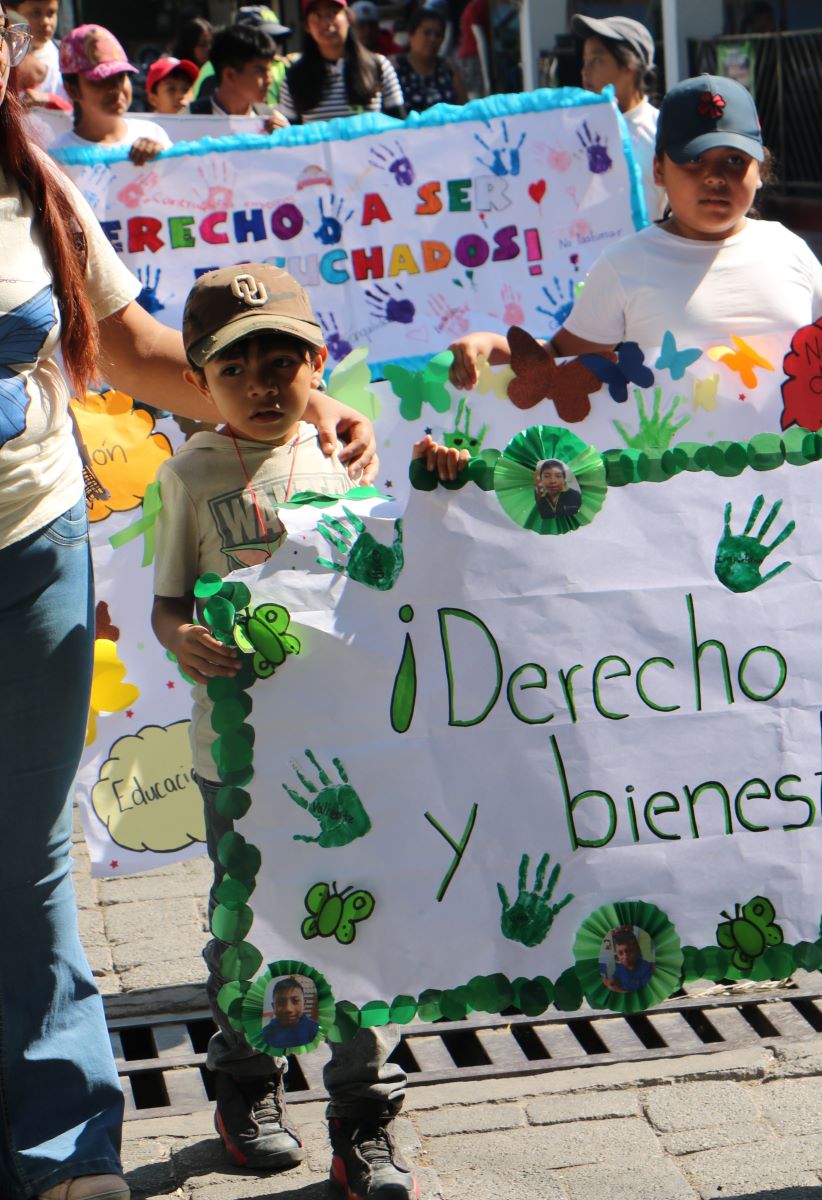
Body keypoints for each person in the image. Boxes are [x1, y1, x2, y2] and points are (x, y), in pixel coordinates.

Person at [0, 36, 374, 1194]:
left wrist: (312, 417)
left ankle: (61, 1145)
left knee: (24, 859)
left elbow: (131, 347)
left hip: (29, 553)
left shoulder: (28, 187)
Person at [151, 262, 431, 1200]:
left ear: (321, 362)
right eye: (237, 370)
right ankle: (246, 1087)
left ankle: (365, 1115)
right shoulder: (186, 477)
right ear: (199, 382)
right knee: (252, 921)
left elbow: (391, 570)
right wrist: (180, 637)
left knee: (365, 918)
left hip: (348, 751)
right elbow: (167, 605)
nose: (264, 385)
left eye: (284, 361)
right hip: (237, 761)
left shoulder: (342, 455)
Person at [446, 75, 822, 398]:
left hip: (795, 489)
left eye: (735, 161)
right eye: (694, 161)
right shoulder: (626, 263)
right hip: (675, 513)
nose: (715, 178)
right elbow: (560, 361)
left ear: (760, 170)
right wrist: (491, 345)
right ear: (660, 171)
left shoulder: (791, 250)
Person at [574, 14, 659, 220]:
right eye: (585, 60)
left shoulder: (661, 131)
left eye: (596, 60)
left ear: (629, 66)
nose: (585, 70)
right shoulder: (575, 130)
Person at [50, 26, 170, 165]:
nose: (116, 87)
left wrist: (163, 157)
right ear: (72, 90)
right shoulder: (57, 158)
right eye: (101, 80)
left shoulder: (153, 134)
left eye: (121, 76)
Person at [278, 0, 404, 124]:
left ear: (349, 18)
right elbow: (289, 131)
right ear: (307, 26)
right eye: (317, 16)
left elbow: (399, 122)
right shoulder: (294, 77)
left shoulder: (379, 66)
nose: (327, 24)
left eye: (332, 14)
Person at [185, 22, 287, 131]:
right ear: (230, 75)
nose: (269, 80)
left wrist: (285, 142)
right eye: (259, 71)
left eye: (269, 70)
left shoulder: (276, 122)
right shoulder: (187, 121)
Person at [186, 6, 292, 109]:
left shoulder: (283, 66)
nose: (270, 47)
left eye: (277, 41)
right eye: (264, 38)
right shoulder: (211, 72)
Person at [392, 3, 463, 113]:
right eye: (427, 33)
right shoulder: (393, 67)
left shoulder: (449, 69)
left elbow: (464, 110)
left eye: (438, 34)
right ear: (411, 34)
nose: (432, 39)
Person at [9, 0, 66, 107]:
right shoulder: (5, 59)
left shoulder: (66, 57)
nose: (45, 21)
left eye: (51, 13)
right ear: (13, 14)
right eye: (36, 13)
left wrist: (50, 101)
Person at [259, 978, 320, 1050]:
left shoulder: (315, 1030)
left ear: (304, 1004)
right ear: (273, 1006)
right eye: (281, 1002)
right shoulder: (266, 1033)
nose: (288, 1009)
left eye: (295, 1001)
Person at [604, 926, 654, 992]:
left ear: (637, 950)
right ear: (617, 955)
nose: (625, 956)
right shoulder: (618, 970)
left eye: (629, 951)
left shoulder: (646, 967)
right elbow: (613, 984)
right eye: (620, 953)